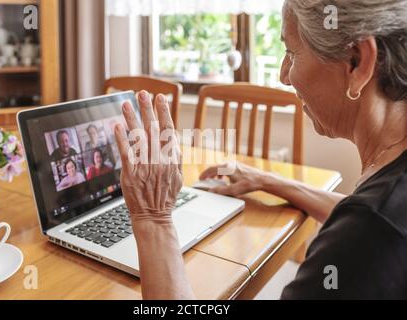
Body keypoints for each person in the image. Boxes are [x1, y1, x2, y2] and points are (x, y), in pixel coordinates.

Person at [115, 0, 407, 300]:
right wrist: (269, 181)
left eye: (292, 53)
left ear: (357, 62)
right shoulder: (380, 206)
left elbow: (369, 226)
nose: (283, 75)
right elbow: (363, 214)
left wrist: (154, 218)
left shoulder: (368, 234)